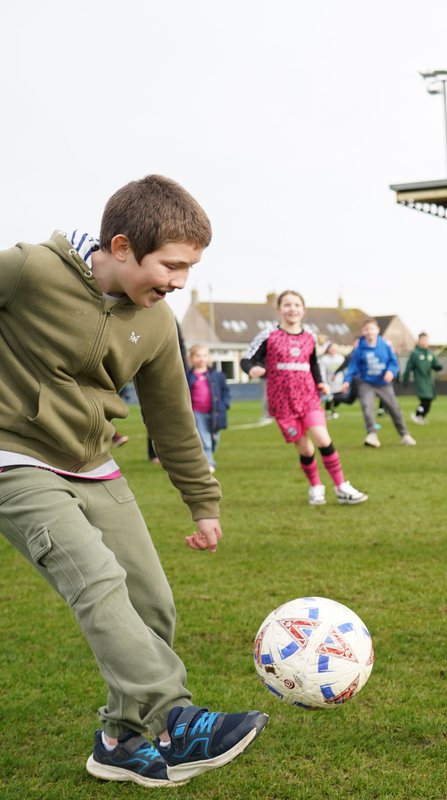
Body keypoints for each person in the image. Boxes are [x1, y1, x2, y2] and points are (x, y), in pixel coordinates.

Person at [0, 175, 268, 787]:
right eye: (170, 265)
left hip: (93, 462)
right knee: (96, 581)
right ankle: (177, 720)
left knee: (151, 602)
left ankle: (119, 740)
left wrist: (203, 503)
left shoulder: (156, 322)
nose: (178, 281)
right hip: (13, 459)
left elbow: (173, 420)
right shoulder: (28, 271)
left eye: (188, 268)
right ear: (121, 247)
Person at [241, 290, 368, 505]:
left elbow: (313, 364)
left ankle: (341, 486)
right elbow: (246, 359)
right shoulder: (268, 335)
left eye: (297, 305)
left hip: (309, 397)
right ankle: (316, 486)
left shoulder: (309, 335)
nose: (292, 309)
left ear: (303, 310)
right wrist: (252, 369)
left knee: (322, 438)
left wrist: (320, 383)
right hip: (282, 402)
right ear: (278, 309)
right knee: (306, 449)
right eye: (287, 305)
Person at [341, 318, 417, 448]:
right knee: (367, 406)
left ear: (377, 330)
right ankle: (372, 435)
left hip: (383, 383)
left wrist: (391, 372)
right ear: (363, 331)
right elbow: (353, 366)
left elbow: (394, 363)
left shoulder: (385, 346)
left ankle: (405, 435)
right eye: (366, 329)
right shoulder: (360, 348)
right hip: (366, 383)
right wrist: (346, 380)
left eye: (372, 329)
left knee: (394, 408)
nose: (369, 332)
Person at [185, 344, 230, 471]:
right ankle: (209, 463)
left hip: (215, 413)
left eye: (204, 355)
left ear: (209, 358)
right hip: (197, 413)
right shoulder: (188, 376)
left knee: (214, 438)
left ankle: (207, 455)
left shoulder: (217, 375)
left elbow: (225, 391)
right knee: (204, 439)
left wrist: (225, 404)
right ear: (191, 358)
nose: (201, 359)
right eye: (198, 356)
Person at [403, 332, 444, 425]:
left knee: (429, 400)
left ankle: (422, 416)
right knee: (424, 400)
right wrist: (405, 380)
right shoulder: (415, 354)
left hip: (429, 381)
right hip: (420, 381)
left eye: (426, 340)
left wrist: (438, 367)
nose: (425, 342)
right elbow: (408, 368)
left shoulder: (430, 354)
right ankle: (417, 415)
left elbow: (435, 364)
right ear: (419, 341)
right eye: (423, 340)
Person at [318, 339, 345, 419]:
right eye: (332, 348)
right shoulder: (324, 359)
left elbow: (345, 370)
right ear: (328, 349)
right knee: (328, 398)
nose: (334, 350)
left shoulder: (341, 358)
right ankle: (329, 412)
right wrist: (323, 381)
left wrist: (345, 380)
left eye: (335, 348)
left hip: (339, 382)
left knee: (339, 398)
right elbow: (322, 371)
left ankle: (333, 410)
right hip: (328, 382)